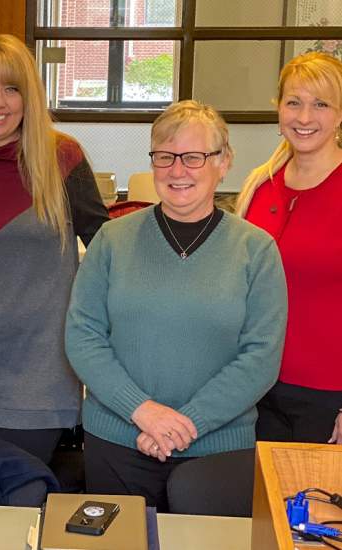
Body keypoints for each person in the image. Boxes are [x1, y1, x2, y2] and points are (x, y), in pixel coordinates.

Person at [65, 100, 287, 511]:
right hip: (117, 443)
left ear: (224, 162)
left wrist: (185, 424)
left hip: (218, 452)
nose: (177, 170)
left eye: (194, 157)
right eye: (165, 156)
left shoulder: (256, 251)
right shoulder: (112, 241)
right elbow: (83, 337)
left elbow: (260, 357)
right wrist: (143, 412)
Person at [0, 34, 109, 465]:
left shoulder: (61, 159)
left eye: (12, 88)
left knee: (20, 502)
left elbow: (107, 254)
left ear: (30, 97)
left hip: (38, 374)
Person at [235, 52, 342, 445]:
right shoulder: (259, 186)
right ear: (278, 109)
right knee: (258, 505)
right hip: (257, 391)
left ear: (339, 115)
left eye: (321, 104)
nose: (304, 117)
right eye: (293, 102)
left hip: (329, 397)